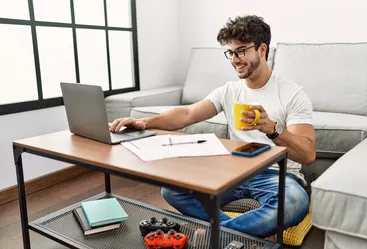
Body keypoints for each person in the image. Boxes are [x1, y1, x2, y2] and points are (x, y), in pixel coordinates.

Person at [109, 15, 316, 238]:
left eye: (241, 51)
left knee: (295, 202)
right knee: (172, 190)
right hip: (236, 172)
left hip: (276, 175)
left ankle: (214, 236)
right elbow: (188, 114)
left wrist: (274, 129)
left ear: (262, 49)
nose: (234, 59)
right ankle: (230, 235)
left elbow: (308, 154)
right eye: (230, 52)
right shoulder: (229, 90)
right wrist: (144, 122)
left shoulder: (292, 93)